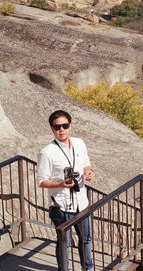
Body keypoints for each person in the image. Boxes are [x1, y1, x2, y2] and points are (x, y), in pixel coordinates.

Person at [37, 110, 95, 271]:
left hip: (81, 202)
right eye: (57, 127)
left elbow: (86, 163)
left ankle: (87, 268)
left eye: (65, 125)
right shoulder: (47, 152)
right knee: (65, 243)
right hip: (61, 205)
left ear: (70, 125)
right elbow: (41, 181)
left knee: (86, 239)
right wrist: (60, 184)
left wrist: (89, 172)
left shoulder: (79, 143)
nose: (61, 130)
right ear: (51, 129)